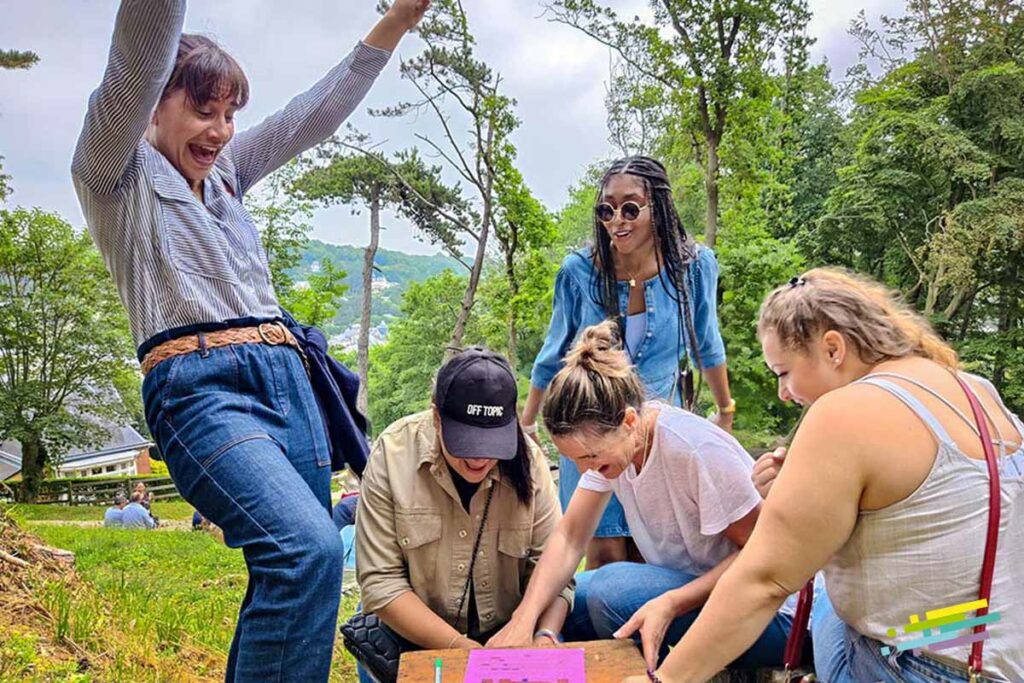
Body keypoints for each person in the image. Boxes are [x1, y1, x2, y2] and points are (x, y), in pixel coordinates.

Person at [71, 1, 428, 679]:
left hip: (287, 385)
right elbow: (138, 51)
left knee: (305, 571)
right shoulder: (114, 174)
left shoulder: (228, 176)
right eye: (205, 108)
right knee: (308, 550)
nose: (221, 128)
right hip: (201, 389)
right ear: (153, 104)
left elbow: (312, 114)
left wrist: (398, 21)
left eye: (231, 112)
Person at [637, 269, 1024, 683]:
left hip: (915, 668)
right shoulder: (976, 388)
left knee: (820, 592)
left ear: (833, 348)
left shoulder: (846, 412)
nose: (783, 393)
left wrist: (662, 680)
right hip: (990, 654)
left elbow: (764, 580)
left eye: (782, 372)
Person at [489, 322, 791, 673]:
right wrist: (525, 620)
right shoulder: (612, 449)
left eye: (590, 457)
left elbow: (761, 554)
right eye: (574, 460)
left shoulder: (693, 450)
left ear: (629, 420)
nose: (585, 469)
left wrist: (674, 602)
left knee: (611, 591)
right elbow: (570, 537)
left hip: (772, 612)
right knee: (566, 594)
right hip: (693, 588)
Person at [524, 156, 734, 570]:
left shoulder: (692, 269)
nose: (616, 220)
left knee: (653, 552)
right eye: (606, 209)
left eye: (630, 208)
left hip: (653, 435)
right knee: (601, 553)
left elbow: (708, 343)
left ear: (657, 206)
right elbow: (553, 351)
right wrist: (528, 421)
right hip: (589, 430)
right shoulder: (579, 272)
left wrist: (725, 409)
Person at [354, 348, 572, 683]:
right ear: (437, 417)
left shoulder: (530, 461)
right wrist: (463, 650)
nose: (479, 459)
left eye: (492, 442)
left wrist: (542, 637)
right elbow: (381, 583)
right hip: (414, 637)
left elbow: (554, 571)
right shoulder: (392, 454)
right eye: (466, 441)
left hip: (511, 635)